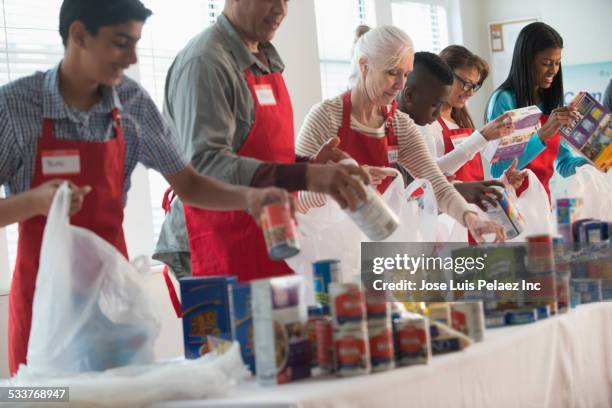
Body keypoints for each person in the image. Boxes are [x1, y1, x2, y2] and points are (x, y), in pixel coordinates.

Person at [0, 0, 292, 375]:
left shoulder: (133, 105)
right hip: (42, 309)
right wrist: (34, 202)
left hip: (111, 306)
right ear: (78, 35)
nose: (131, 57)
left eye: (137, 43)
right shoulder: (16, 107)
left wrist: (249, 197)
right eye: (121, 43)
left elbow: (188, 183)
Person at [154, 0, 369, 282]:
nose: (281, 9)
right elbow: (203, 166)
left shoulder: (264, 60)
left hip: (269, 235)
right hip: (217, 239)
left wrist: (308, 163)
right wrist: (306, 175)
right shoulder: (206, 63)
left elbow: (256, 150)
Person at [295, 26, 504, 242]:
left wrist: (471, 219)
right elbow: (294, 197)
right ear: (364, 66)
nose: (400, 84)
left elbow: (436, 183)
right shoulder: (326, 117)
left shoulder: (399, 124)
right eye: (392, 73)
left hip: (378, 243)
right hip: (329, 247)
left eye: (405, 74)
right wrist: (341, 182)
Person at [397, 50, 521, 211]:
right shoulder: (423, 122)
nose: (470, 92)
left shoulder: (461, 122)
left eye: (474, 86)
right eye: (466, 83)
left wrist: (500, 182)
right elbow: (428, 175)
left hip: (469, 216)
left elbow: (471, 178)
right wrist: (481, 137)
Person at [486, 22, 588, 199]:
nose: (553, 71)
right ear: (527, 60)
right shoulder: (504, 101)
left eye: (557, 63)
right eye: (547, 63)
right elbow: (498, 170)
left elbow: (564, 164)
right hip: (512, 208)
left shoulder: (550, 102)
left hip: (542, 206)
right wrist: (543, 134)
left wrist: (595, 161)